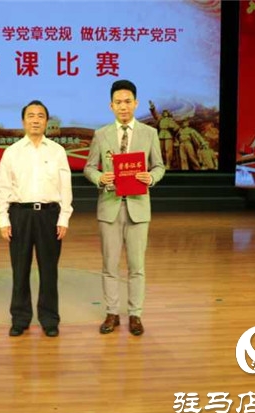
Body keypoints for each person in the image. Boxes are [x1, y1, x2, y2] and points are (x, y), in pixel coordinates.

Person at [84, 80, 165, 336]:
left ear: (136, 103)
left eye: (128, 101)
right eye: (118, 102)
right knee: (109, 265)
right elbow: (89, 167)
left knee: (136, 266)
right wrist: (100, 178)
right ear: (111, 106)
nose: (123, 106)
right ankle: (111, 313)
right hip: (109, 206)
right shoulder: (101, 134)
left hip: (138, 207)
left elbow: (159, 166)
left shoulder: (149, 134)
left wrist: (151, 177)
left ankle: (135, 314)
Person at [0, 100, 73, 338]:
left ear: (46, 121)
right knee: (20, 270)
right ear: (23, 121)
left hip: (49, 215)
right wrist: (3, 219)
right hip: (20, 215)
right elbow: (2, 187)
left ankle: (49, 319)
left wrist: (64, 218)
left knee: (49, 271)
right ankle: (20, 319)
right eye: (31, 116)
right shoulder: (12, 152)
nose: (36, 120)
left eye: (40, 116)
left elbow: (65, 187)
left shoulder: (57, 151)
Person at [148, 102, 179, 170]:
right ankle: (160, 164)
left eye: (166, 112)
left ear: (168, 113)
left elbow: (177, 128)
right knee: (159, 150)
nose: (165, 113)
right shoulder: (160, 119)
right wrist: (153, 108)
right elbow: (155, 114)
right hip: (161, 135)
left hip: (168, 135)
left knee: (168, 150)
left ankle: (168, 164)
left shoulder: (171, 120)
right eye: (164, 112)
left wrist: (172, 127)